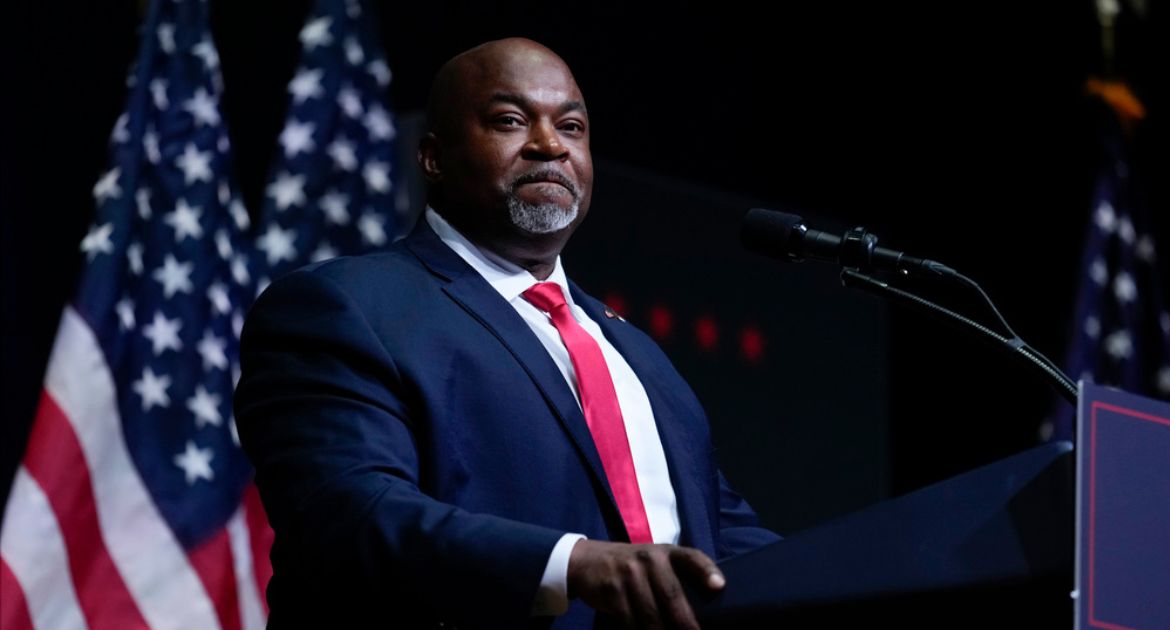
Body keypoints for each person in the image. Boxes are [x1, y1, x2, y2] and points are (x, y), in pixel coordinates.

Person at [234, 37, 780, 629]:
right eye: (511, 121)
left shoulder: (634, 352)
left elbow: (721, 534)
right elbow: (350, 515)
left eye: (571, 127)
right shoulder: (344, 307)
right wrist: (567, 564)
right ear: (433, 158)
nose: (549, 145)